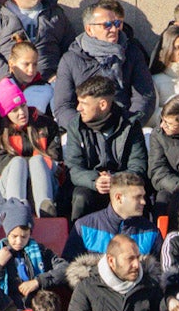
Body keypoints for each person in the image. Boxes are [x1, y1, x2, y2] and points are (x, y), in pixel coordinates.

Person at [62, 77, 149, 222]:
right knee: (81, 197)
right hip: (91, 185)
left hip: (122, 183)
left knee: (136, 197)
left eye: (84, 103)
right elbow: (73, 167)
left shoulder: (130, 125)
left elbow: (138, 166)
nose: (78, 108)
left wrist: (115, 180)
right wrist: (95, 181)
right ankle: (77, 240)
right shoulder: (75, 126)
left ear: (102, 104)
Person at [0, 79, 62, 219]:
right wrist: (27, 164)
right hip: (10, 184)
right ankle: (15, 212)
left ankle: (45, 209)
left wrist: (34, 164)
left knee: (38, 161)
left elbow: (54, 157)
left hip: (44, 181)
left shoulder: (46, 124)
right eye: (14, 110)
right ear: (5, 113)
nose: (22, 113)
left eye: (23, 106)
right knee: (17, 163)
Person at [63, 172, 161, 259]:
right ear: (119, 198)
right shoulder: (83, 227)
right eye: (138, 197)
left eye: (143, 196)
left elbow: (158, 273)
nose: (143, 202)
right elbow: (69, 269)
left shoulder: (152, 232)